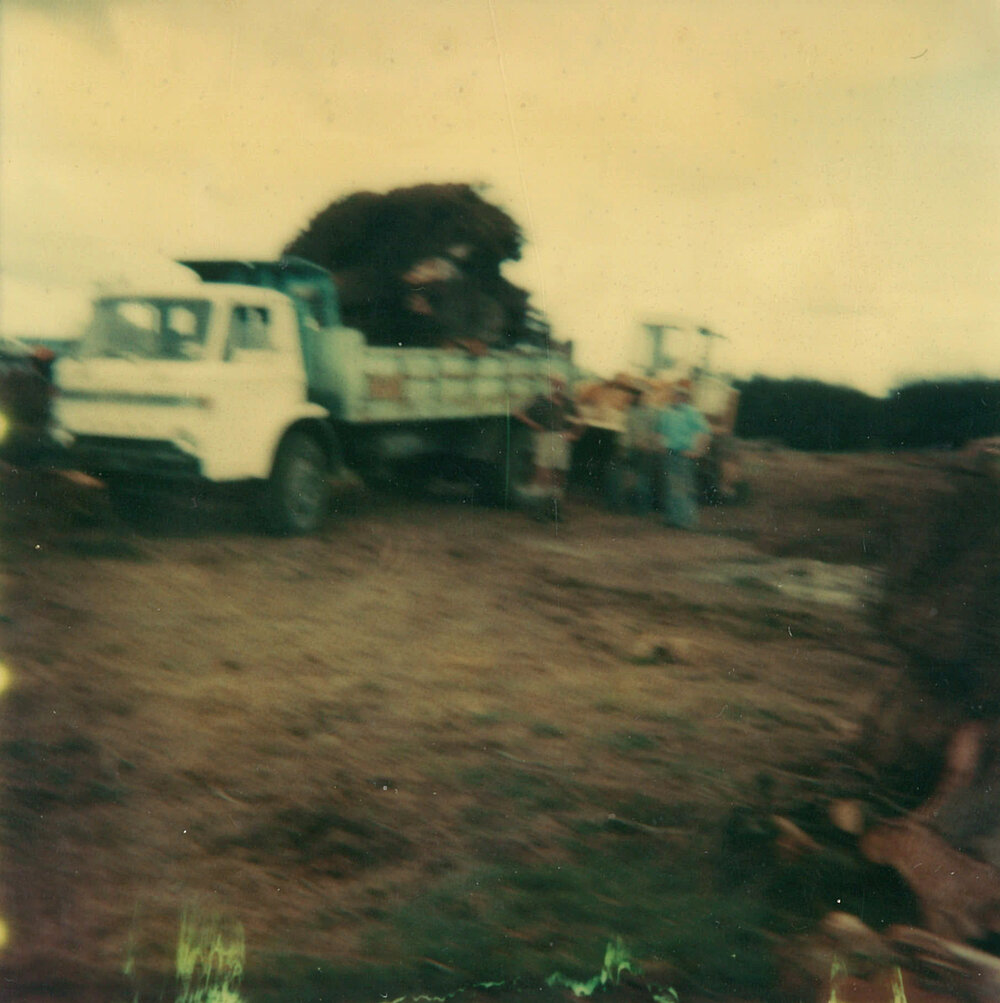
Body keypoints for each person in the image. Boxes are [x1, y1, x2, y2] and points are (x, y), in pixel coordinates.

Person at [514, 374, 581, 514]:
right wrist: (536, 426)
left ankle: (555, 509)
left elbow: (581, 420)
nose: (559, 388)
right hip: (545, 438)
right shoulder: (542, 401)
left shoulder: (568, 403)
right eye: (556, 384)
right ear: (551, 385)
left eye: (561, 385)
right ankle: (537, 509)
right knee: (542, 474)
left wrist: (574, 434)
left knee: (559, 474)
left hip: (561, 439)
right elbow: (518, 413)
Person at [657, 379, 710, 529]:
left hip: (683, 455)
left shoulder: (692, 413)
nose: (677, 397)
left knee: (685, 487)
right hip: (669, 453)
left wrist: (697, 451)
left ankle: (688, 521)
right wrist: (661, 445)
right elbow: (661, 431)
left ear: (686, 397)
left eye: (681, 395)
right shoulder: (666, 412)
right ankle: (673, 519)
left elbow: (705, 433)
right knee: (671, 486)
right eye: (675, 394)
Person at [608, 384, 659, 514]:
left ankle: (642, 509)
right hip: (625, 447)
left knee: (642, 479)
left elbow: (653, 432)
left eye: (641, 394)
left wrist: (646, 443)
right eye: (636, 394)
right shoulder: (629, 410)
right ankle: (617, 505)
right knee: (619, 476)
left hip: (642, 449)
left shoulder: (651, 412)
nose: (637, 397)